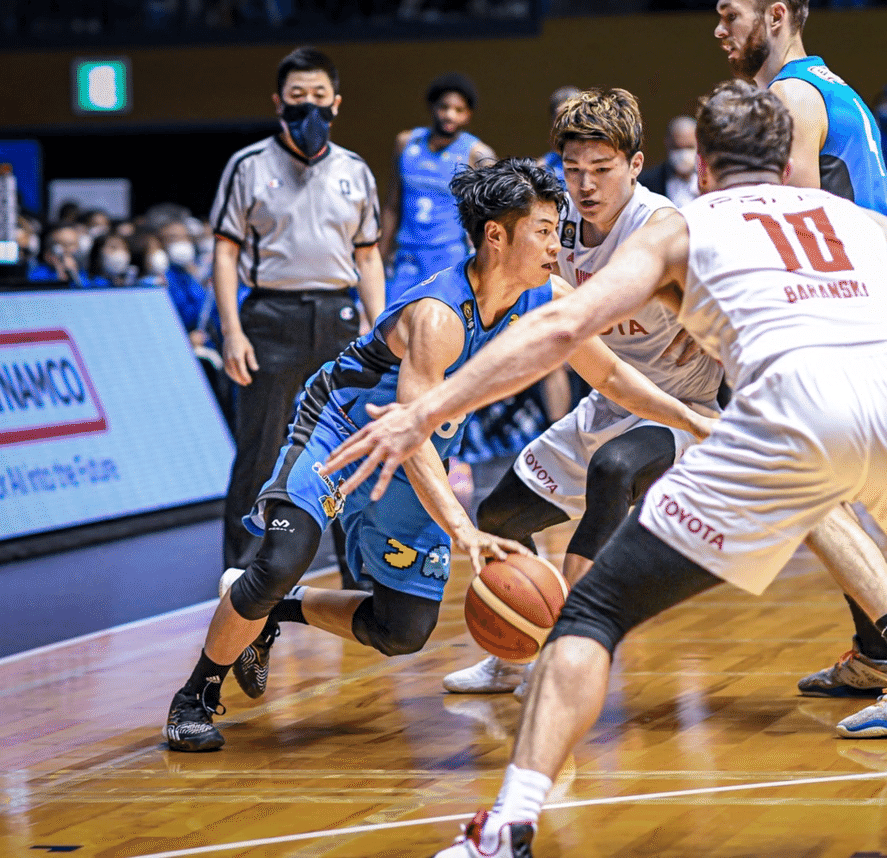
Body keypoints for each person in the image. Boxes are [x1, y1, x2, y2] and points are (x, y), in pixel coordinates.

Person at [323, 80, 887, 857]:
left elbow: (559, 329)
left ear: (701, 166)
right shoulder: (858, 222)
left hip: (788, 409)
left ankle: (509, 825)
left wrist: (424, 411)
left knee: (590, 611)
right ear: (788, 160)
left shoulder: (682, 225)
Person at [162, 158, 715, 752]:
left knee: (401, 629)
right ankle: (195, 698)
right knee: (281, 560)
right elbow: (412, 436)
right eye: (543, 231)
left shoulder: (546, 298)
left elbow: (609, 375)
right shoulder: (439, 316)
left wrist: (690, 419)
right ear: (496, 236)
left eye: (557, 230)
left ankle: (276, 611)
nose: (557, 245)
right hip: (340, 432)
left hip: (417, 449)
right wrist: (461, 528)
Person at [714, 0, 887, 737]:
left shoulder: (791, 98)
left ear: (777, 15)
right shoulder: (830, 87)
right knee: (834, 491)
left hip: (867, 323)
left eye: (730, 14)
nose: (719, 30)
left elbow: (792, 226)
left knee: (818, 489)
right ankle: (878, 652)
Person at [440, 87, 724, 699]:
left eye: (602, 168)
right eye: (573, 169)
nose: (586, 184)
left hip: (685, 412)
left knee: (612, 469)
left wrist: (713, 328)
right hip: (609, 398)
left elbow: (740, 301)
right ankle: (513, 651)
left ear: (635, 165)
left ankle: (571, 649)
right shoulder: (556, 225)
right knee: (498, 517)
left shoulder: (664, 227)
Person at [210, 47, 386, 592]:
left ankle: (358, 574)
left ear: (336, 102)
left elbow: (368, 258)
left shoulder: (355, 170)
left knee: (348, 449)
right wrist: (232, 332)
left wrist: (379, 330)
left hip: (340, 317)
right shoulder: (248, 166)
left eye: (317, 96)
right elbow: (224, 252)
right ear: (277, 102)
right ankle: (242, 576)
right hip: (270, 318)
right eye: (296, 96)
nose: (307, 106)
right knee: (261, 451)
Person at [379, 73, 496, 305]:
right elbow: (392, 205)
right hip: (407, 254)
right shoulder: (406, 143)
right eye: (444, 107)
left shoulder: (478, 154)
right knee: (392, 319)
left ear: (468, 115)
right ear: (432, 106)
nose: (450, 115)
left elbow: (493, 216)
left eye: (459, 110)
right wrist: (379, 257)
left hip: (450, 254)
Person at [638, 115, 701, 207]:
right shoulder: (647, 183)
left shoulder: (711, 180)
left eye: (689, 147)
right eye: (676, 147)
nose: (683, 154)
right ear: (667, 144)